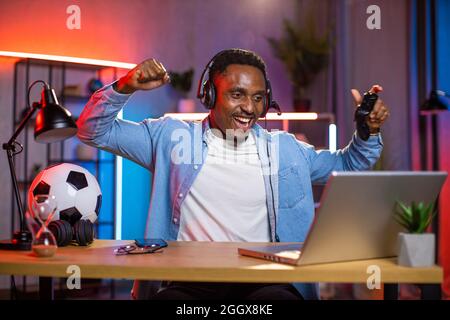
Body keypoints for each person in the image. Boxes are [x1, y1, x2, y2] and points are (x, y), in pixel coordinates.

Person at [77, 48, 389, 300]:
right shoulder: (170, 139)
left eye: (257, 97)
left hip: (266, 283)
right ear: (210, 95)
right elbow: (92, 131)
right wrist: (124, 87)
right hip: (190, 282)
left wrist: (367, 131)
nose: (249, 108)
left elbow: (349, 164)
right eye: (237, 94)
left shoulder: (286, 149)